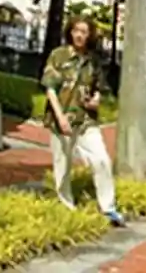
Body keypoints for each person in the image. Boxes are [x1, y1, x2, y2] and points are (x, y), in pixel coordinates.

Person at [41, 17, 125, 227]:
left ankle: (108, 207)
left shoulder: (93, 61)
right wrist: (60, 117)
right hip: (62, 119)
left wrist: (96, 99)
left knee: (102, 159)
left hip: (86, 120)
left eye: (84, 32)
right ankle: (66, 205)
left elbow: (98, 88)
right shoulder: (59, 55)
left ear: (90, 35)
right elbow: (50, 88)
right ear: (70, 32)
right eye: (76, 30)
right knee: (63, 165)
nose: (79, 35)